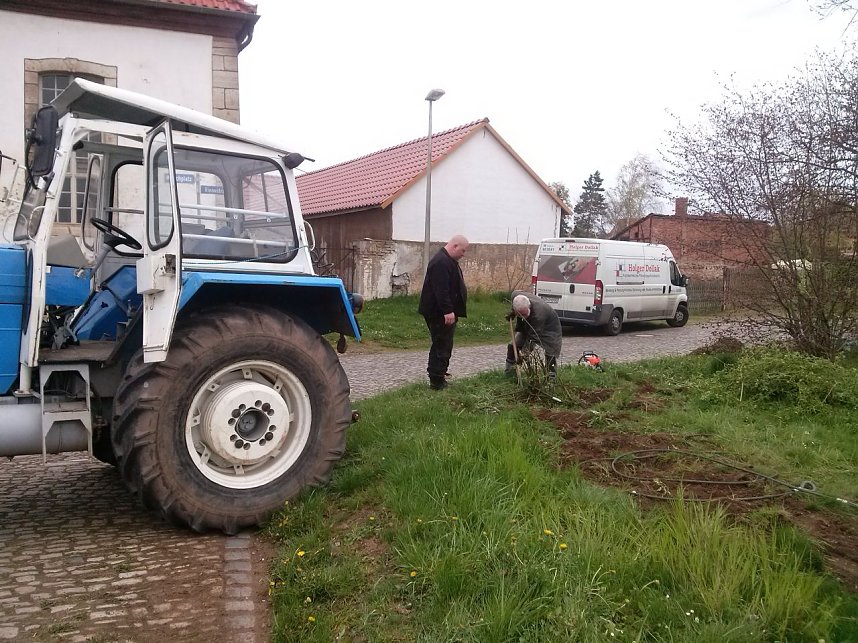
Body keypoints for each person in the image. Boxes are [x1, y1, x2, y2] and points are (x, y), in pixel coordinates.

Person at [418, 235, 469, 390]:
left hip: (443, 312)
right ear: (454, 246)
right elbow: (441, 290)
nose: (463, 254)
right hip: (439, 313)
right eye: (463, 250)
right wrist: (447, 311)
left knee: (444, 343)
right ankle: (437, 380)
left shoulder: (448, 261)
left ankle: (439, 374)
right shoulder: (441, 262)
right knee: (442, 344)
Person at [505, 291, 562, 382]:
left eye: (524, 314)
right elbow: (515, 308)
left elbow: (532, 339)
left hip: (550, 328)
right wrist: (513, 313)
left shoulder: (539, 314)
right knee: (513, 345)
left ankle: (551, 380)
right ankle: (509, 374)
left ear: (529, 306)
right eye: (520, 314)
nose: (523, 316)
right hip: (529, 324)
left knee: (550, 353)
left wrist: (523, 355)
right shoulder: (515, 295)